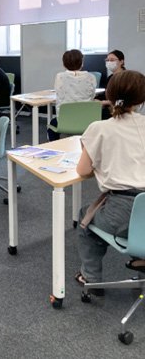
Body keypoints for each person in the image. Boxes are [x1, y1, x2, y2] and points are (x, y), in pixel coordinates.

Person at [75, 70, 145, 292]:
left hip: (122, 211)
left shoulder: (100, 128)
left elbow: (83, 170)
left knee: (85, 218)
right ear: (141, 99)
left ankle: (91, 278)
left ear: (109, 95)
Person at [47, 49, 97, 141]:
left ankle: (55, 148)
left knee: (52, 125)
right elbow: (92, 96)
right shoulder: (91, 77)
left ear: (64, 64)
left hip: (65, 121)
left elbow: (59, 92)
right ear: (82, 63)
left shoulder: (60, 77)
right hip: (87, 120)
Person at [99, 50, 127, 118]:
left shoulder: (126, 78)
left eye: (112, 60)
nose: (109, 62)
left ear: (121, 61)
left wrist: (106, 102)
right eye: (107, 60)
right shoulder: (110, 77)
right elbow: (107, 94)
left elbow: (123, 100)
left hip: (121, 111)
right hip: (110, 108)